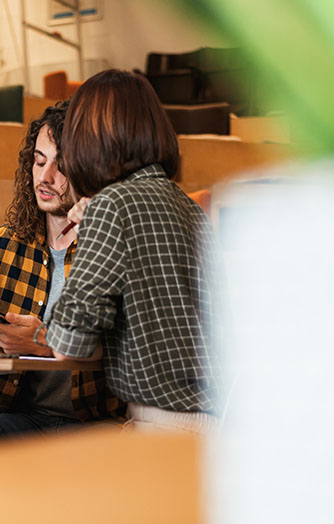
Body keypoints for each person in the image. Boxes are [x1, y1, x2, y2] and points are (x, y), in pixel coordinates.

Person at [40, 70, 221, 434]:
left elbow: (69, 344)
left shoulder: (112, 206)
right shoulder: (187, 207)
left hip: (162, 427)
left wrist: (33, 334)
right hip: (215, 426)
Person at [0, 101, 125, 446]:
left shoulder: (110, 241)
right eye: (38, 161)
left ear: (91, 168)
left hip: (99, 422)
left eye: (61, 165)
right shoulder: (5, 244)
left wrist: (44, 342)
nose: (45, 177)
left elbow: (131, 346)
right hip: (18, 416)